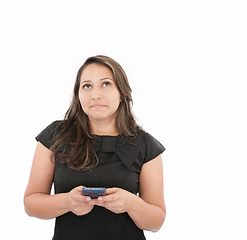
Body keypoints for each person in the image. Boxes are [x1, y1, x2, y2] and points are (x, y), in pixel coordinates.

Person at [24, 55, 166, 240]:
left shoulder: (146, 145)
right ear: (78, 94)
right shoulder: (55, 135)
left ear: (121, 93)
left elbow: (156, 221)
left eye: (106, 84)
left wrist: (132, 204)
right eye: (87, 86)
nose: (95, 94)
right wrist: (67, 202)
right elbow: (31, 203)